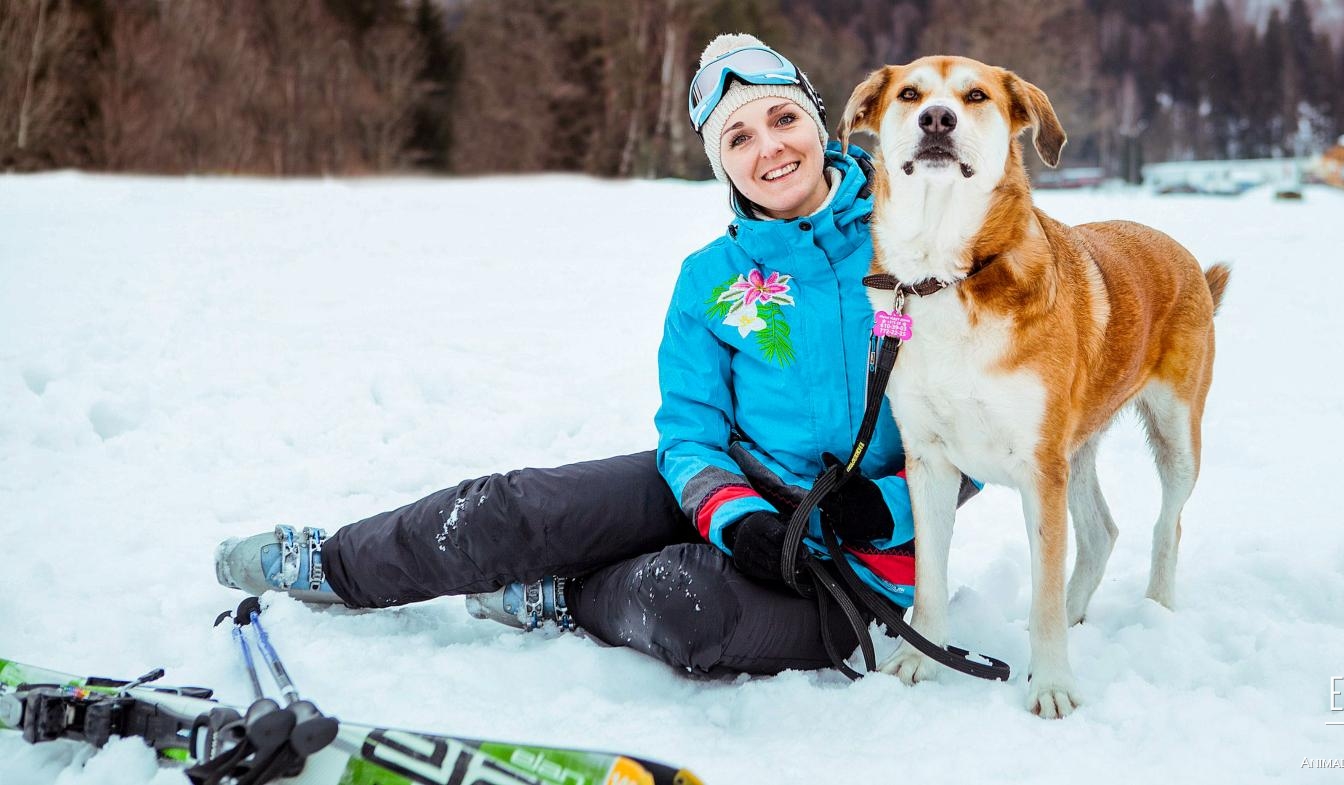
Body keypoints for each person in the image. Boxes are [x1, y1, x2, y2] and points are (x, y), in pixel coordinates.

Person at [215, 33, 975, 677]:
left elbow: (989, 429)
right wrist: (734, 514)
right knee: (520, 506)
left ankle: (568, 598)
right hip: (737, 489)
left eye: (783, 119)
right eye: (739, 138)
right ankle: (337, 563)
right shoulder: (711, 279)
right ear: (722, 163)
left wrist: (885, 508)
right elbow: (691, 431)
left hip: (858, 563)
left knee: (687, 604)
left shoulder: (923, 248)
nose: (769, 148)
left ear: (818, 122)